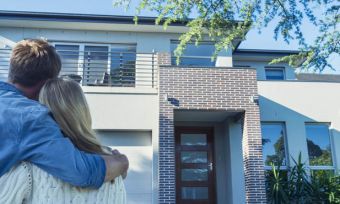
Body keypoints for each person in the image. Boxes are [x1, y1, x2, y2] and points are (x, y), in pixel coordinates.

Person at [0, 39, 129, 189]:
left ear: (12, 69)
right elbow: (81, 172)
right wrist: (121, 162)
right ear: (47, 84)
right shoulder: (30, 118)